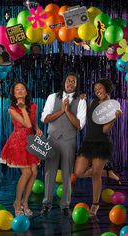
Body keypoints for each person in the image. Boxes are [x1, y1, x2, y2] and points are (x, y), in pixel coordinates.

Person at [40, 73, 87, 216]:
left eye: (74, 81)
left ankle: (65, 205)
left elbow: (79, 125)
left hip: (69, 140)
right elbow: (45, 119)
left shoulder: (81, 101)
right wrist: (61, 110)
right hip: (52, 139)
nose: (71, 83)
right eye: (68, 80)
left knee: (67, 173)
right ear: (64, 82)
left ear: (76, 84)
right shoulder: (52, 97)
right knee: (49, 173)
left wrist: (67, 112)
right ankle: (46, 204)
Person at [74, 79, 122, 216]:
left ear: (107, 89)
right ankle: (107, 173)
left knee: (95, 174)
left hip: (101, 143)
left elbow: (105, 131)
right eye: (95, 89)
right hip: (88, 142)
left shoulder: (112, 107)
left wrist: (114, 118)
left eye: (100, 88)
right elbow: (84, 115)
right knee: (79, 172)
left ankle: (95, 205)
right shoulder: (93, 103)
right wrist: (81, 101)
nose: (97, 91)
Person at [0, 82, 42, 217]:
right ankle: (17, 203)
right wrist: (23, 109)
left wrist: (37, 129)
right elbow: (26, 124)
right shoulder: (12, 109)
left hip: (30, 140)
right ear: (13, 94)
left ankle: (25, 203)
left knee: (34, 172)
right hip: (18, 142)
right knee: (27, 173)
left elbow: (32, 123)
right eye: (16, 89)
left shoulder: (34, 106)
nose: (19, 90)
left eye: (22, 89)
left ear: (26, 92)